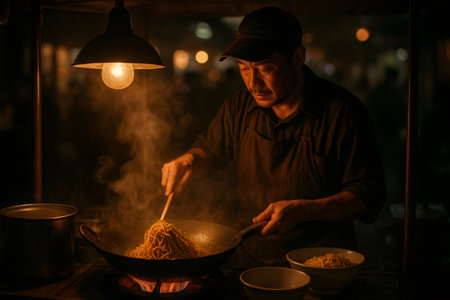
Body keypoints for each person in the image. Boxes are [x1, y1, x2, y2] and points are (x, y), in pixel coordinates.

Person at [161, 6, 385, 268]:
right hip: (250, 262)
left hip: (320, 266)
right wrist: (188, 160)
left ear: (298, 59)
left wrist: (305, 210)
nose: (253, 82)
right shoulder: (239, 107)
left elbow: (366, 198)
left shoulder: (343, 113)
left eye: (266, 69)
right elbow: (209, 152)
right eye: (244, 68)